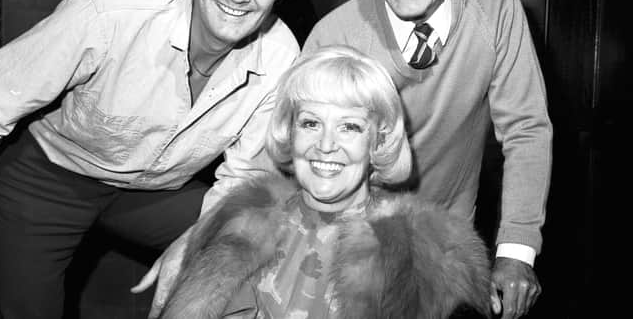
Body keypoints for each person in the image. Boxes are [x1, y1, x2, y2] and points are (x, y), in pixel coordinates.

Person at [0, 0, 309, 318]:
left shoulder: (280, 55)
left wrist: (196, 243)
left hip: (154, 192)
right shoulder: (108, 16)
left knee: (270, 242)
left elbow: (245, 176)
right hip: (49, 178)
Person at [302, 0, 553, 318]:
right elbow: (306, 164)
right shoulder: (334, 37)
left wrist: (517, 250)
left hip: (448, 244)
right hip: (350, 242)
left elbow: (525, 127)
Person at [157, 46, 491, 319]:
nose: (326, 144)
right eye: (311, 123)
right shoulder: (238, 221)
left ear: (378, 142)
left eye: (349, 127)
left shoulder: (427, 250)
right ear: (289, 133)